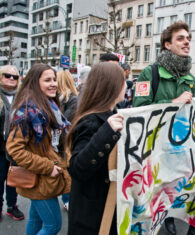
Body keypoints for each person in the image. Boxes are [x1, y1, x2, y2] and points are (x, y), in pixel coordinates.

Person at [132, 21, 195, 235]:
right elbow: (138, 111)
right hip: (153, 149)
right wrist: (173, 103)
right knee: (150, 195)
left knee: (173, 190)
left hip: (178, 147)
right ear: (167, 45)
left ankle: (167, 218)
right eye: (180, 38)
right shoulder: (149, 74)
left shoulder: (190, 78)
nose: (186, 42)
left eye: (188, 38)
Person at [6, 63, 71, 235]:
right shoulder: (27, 110)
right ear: (35, 82)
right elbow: (15, 149)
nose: (53, 84)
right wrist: (47, 167)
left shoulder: (48, 105)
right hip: (41, 175)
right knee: (53, 225)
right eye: (47, 80)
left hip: (44, 177)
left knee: (36, 221)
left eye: (54, 80)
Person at [67, 62, 126, 235]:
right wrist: (106, 131)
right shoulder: (91, 121)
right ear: (113, 86)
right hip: (92, 213)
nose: (126, 86)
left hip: (106, 205)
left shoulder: (113, 112)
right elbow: (77, 168)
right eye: (124, 81)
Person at [0, 65, 24, 222]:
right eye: (7, 75)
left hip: (16, 147)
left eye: (15, 77)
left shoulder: (22, 97)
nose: (11, 79)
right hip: (0, 147)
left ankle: (12, 206)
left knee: (13, 178)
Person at [57, 70, 78, 211]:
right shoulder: (72, 98)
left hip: (63, 142)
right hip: (66, 141)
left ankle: (67, 199)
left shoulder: (63, 99)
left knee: (65, 171)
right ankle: (67, 199)